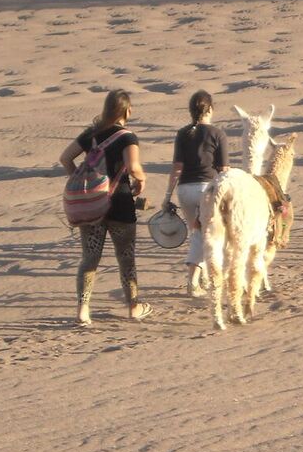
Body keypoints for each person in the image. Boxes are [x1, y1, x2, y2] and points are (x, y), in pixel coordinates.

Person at [59, 89, 150, 325]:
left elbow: (65, 158)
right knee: (126, 257)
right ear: (127, 110)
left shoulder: (91, 134)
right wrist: (142, 179)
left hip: (92, 207)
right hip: (120, 205)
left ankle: (82, 311)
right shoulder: (127, 137)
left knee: (89, 259)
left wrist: (80, 181)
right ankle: (133, 307)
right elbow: (133, 167)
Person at [162, 90, 229, 297]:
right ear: (210, 109)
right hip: (207, 189)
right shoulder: (217, 134)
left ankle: (202, 278)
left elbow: (177, 168)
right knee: (205, 234)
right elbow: (224, 170)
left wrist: (167, 196)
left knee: (197, 232)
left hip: (184, 190)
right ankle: (193, 281)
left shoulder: (183, 133)